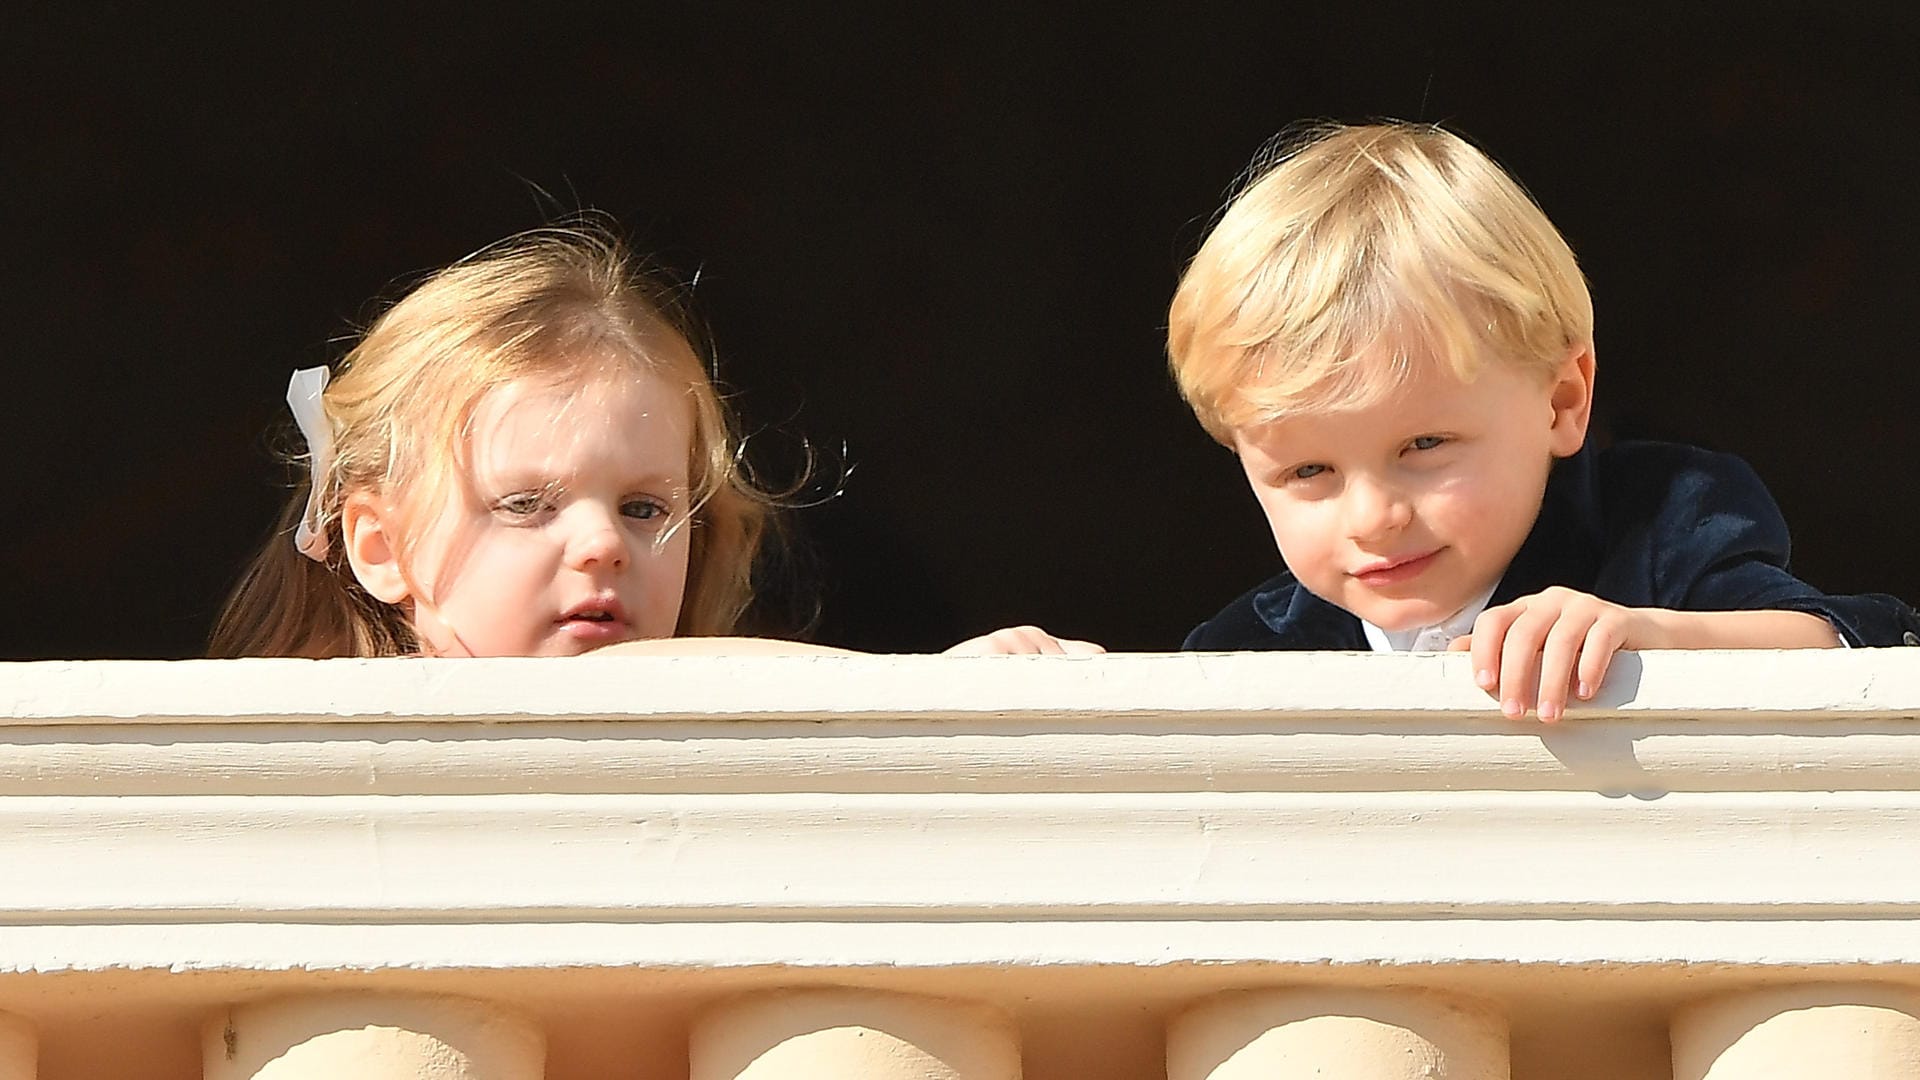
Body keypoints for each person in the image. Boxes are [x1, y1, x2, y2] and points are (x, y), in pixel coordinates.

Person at [1168, 122, 1918, 720]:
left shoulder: (1659, 527)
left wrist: (1657, 636)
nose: (1373, 516)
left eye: (1424, 445)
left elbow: (1861, 646)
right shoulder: (1250, 647)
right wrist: (1058, 687)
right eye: (1308, 471)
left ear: (1564, 401)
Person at [211, 228, 1096, 659]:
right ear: (379, 546)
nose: (603, 544)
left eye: (645, 508)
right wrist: (907, 695)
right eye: (526, 504)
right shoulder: (315, 730)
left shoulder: (674, 710)